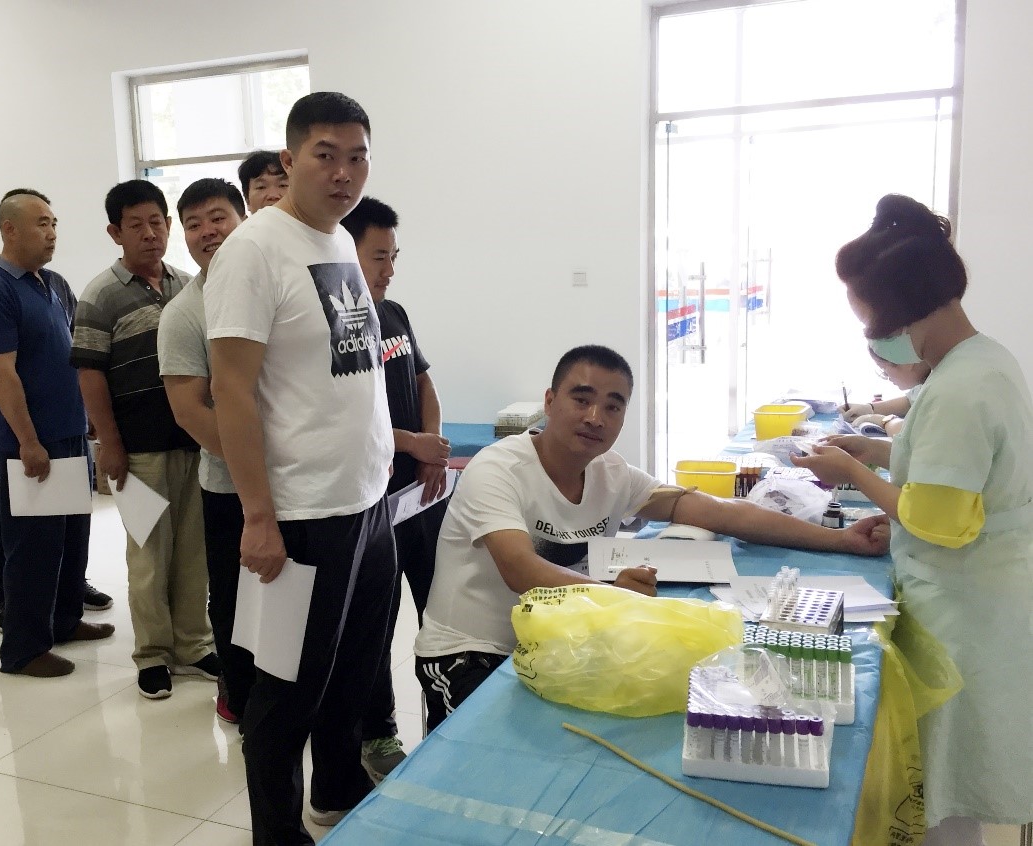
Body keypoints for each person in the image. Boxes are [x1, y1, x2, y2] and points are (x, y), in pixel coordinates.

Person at [414, 344, 892, 731]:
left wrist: (841, 540)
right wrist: (612, 593)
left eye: (613, 406)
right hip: (472, 652)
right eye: (581, 399)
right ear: (549, 402)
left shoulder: (612, 474)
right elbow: (521, 570)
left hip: (555, 642)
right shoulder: (498, 469)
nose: (596, 417)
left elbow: (722, 513)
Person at [792, 194, 1033, 846]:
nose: (872, 339)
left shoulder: (961, 388)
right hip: (979, 594)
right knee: (946, 786)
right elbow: (944, 468)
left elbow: (938, 517)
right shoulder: (979, 361)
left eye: (868, 321)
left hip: (965, 610)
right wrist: (873, 452)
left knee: (945, 791)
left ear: (901, 311)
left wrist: (854, 474)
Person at [206, 91, 395, 845]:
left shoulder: (339, 239)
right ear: (289, 161)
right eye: (325, 155)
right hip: (302, 511)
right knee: (287, 689)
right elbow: (230, 390)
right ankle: (277, 833)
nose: (343, 172)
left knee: (353, 670)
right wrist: (258, 516)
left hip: (366, 502)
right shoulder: (254, 250)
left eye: (357, 157)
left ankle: (338, 785)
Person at [72, 179, 218, 699]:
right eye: (135, 225)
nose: (149, 233)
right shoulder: (100, 295)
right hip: (139, 451)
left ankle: (194, 645)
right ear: (115, 233)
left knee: (194, 554)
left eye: (157, 222)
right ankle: (153, 654)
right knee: (149, 557)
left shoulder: (190, 285)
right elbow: (90, 375)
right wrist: (109, 444)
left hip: (195, 443)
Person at [0, 189, 113, 678]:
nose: (51, 233)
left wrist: (87, 415)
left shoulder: (50, 283)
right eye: (41, 224)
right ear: (9, 229)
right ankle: (23, 650)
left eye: (54, 223)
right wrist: (28, 441)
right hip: (29, 444)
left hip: (68, 435)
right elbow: (1, 375)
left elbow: (66, 354)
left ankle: (65, 620)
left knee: (70, 540)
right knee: (33, 550)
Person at [340, 196, 449, 782]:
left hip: (420, 496)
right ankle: (377, 732)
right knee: (375, 623)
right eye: (378, 256)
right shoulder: (344, 324)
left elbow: (424, 382)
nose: (388, 269)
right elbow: (352, 415)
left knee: (438, 604)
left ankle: (445, 715)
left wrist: (431, 446)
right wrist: (412, 444)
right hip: (373, 498)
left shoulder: (395, 313)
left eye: (393, 256)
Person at [160, 177, 255, 723]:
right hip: (229, 487)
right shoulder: (183, 313)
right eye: (193, 225)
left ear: (243, 220)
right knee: (235, 597)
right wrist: (256, 469)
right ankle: (238, 695)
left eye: (218, 218)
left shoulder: (274, 286)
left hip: (301, 480)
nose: (207, 232)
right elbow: (190, 410)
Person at [842, 345, 931, 436]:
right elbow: (911, 400)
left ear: (906, 361)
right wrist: (869, 408)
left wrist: (885, 421)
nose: (885, 375)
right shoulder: (931, 378)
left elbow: (915, 437)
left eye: (883, 367)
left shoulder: (938, 385)